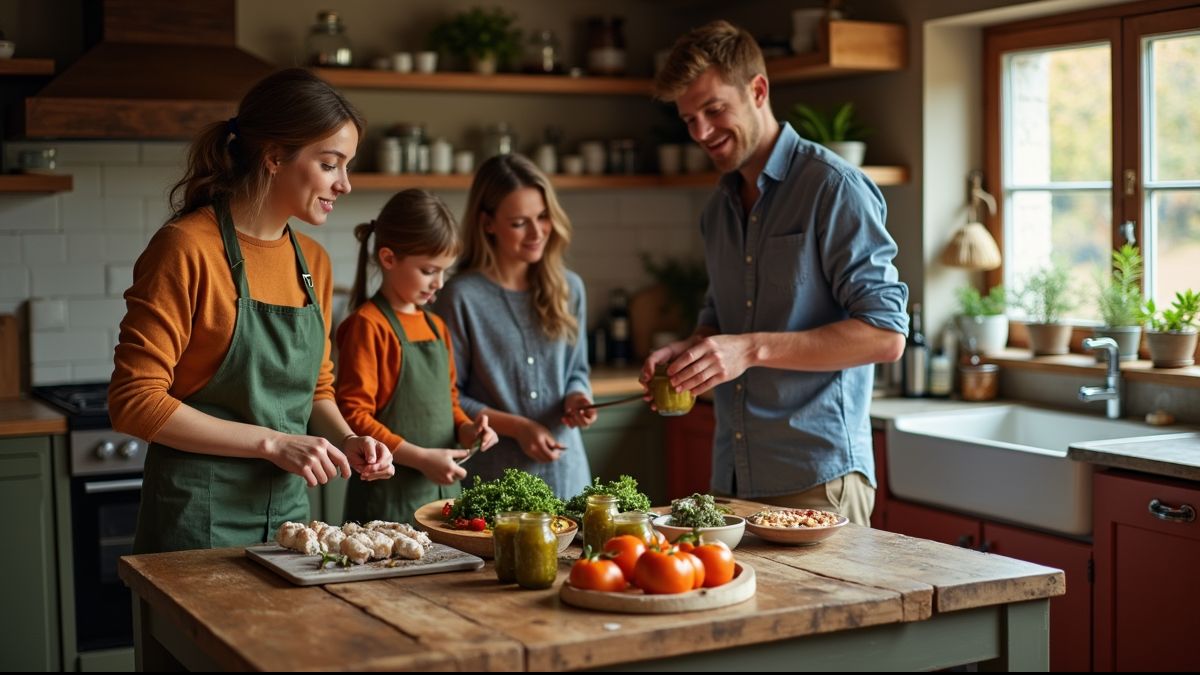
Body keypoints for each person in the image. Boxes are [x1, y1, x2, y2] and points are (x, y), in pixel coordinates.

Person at [109, 68, 395, 554]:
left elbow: (317, 388)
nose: (344, 184)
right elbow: (134, 401)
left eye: (347, 166)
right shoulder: (186, 248)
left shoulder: (314, 263)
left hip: (291, 523)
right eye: (330, 164)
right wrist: (273, 443)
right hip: (196, 519)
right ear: (275, 157)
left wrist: (348, 440)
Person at [642, 21, 909, 526]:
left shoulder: (833, 189)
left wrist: (749, 349)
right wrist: (692, 350)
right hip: (732, 480)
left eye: (714, 109)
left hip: (817, 482)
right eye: (689, 119)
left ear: (758, 90)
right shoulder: (718, 209)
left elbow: (885, 334)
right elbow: (720, 317)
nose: (701, 132)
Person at [434, 154, 596, 500]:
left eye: (542, 217)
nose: (537, 232)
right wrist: (519, 428)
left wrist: (578, 397)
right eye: (520, 222)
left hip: (568, 474)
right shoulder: (460, 297)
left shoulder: (570, 288)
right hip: (496, 485)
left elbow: (577, 371)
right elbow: (451, 396)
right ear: (488, 223)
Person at [336, 189, 499, 525]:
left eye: (444, 271)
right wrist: (421, 458)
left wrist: (470, 431)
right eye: (428, 270)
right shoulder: (368, 325)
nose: (438, 283)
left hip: (443, 500)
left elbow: (448, 403)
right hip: (386, 501)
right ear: (388, 258)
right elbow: (354, 416)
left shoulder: (436, 326)